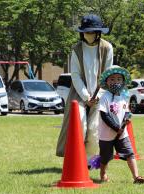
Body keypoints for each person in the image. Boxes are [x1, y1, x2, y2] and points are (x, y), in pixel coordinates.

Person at [56, 14, 113, 163]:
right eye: (86, 32)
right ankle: (75, 161)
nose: (89, 34)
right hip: (79, 94)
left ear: (98, 32)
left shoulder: (107, 48)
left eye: (92, 31)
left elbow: (108, 74)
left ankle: (89, 162)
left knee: (94, 129)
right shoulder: (76, 49)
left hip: (100, 94)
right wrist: (86, 96)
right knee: (79, 124)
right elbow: (75, 75)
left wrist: (98, 96)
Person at [98, 65, 144, 184]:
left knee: (130, 153)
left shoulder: (124, 97)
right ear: (107, 81)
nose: (116, 82)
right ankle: (103, 173)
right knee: (106, 157)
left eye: (119, 79)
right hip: (106, 135)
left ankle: (136, 177)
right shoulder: (105, 97)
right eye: (112, 79)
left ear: (123, 82)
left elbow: (127, 112)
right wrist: (115, 127)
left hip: (122, 134)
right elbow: (104, 115)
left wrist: (127, 119)